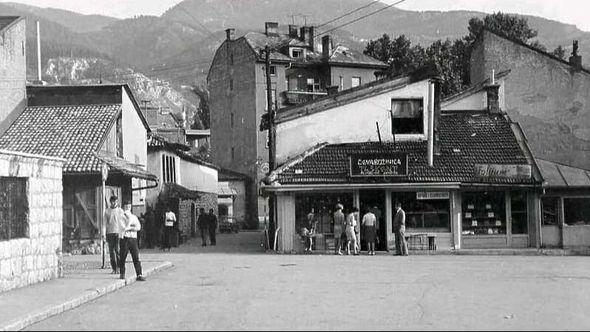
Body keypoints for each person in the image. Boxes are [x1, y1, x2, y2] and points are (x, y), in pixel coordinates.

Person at [119, 202, 146, 281]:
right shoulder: (121, 217)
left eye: (129, 206)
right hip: (125, 238)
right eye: (126, 206)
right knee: (123, 257)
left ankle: (139, 274)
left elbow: (138, 227)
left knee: (136, 257)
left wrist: (130, 227)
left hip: (133, 238)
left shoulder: (134, 217)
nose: (127, 208)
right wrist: (130, 225)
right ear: (123, 207)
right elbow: (123, 228)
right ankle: (122, 273)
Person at [103, 196, 126, 274]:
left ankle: (119, 267)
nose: (114, 203)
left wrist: (123, 231)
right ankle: (114, 268)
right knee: (111, 252)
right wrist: (103, 233)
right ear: (110, 202)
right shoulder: (107, 211)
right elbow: (104, 223)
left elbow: (124, 222)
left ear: (117, 202)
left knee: (117, 250)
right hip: (110, 233)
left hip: (118, 232)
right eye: (112, 201)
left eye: (115, 201)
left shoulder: (120, 211)